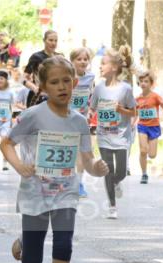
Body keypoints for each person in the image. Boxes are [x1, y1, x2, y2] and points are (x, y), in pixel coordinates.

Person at [1, 56, 109, 263]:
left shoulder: (80, 122)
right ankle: (25, 241)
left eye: (66, 81)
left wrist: (98, 167)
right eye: (54, 82)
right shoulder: (33, 115)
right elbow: (6, 143)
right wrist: (19, 165)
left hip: (66, 193)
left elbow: (86, 160)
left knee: (64, 246)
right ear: (43, 86)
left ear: (74, 83)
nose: (62, 87)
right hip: (35, 192)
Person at [90, 46, 136, 219]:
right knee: (108, 169)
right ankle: (112, 206)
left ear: (114, 68)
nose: (100, 67)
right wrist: (87, 117)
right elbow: (92, 109)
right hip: (104, 135)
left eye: (103, 63)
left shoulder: (125, 89)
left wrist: (121, 110)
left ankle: (117, 182)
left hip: (122, 135)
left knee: (122, 171)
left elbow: (133, 112)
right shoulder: (98, 89)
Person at [69, 47, 96, 198]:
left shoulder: (91, 77)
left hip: (82, 120)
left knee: (82, 153)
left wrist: (91, 108)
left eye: (85, 59)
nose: (83, 62)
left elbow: (91, 94)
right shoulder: (67, 76)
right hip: (66, 119)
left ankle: (79, 183)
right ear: (72, 61)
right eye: (79, 59)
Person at [135, 70, 163, 184]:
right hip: (142, 126)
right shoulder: (137, 99)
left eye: (146, 81)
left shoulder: (156, 97)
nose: (143, 84)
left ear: (151, 83)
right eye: (141, 81)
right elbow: (135, 113)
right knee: (143, 150)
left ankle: (149, 154)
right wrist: (131, 123)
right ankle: (144, 174)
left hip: (154, 127)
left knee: (152, 155)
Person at [23, 30, 58, 107]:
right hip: (37, 98)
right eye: (50, 40)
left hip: (54, 96)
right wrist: (35, 88)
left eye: (56, 40)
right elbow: (23, 79)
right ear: (44, 40)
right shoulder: (36, 57)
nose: (53, 43)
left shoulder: (59, 57)